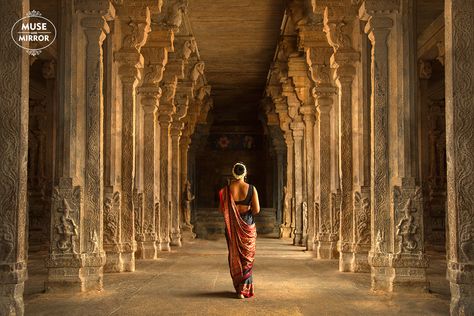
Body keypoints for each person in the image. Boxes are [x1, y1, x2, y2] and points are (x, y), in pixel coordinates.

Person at [218, 162, 260, 299]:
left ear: (233, 174)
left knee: (235, 255)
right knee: (247, 257)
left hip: (232, 227)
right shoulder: (251, 188)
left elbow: (221, 209)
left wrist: (233, 213)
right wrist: (246, 212)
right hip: (247, 224)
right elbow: (257, 210)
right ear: (245, 173)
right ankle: (244, 289)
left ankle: (238, 289)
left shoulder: (226, 190)